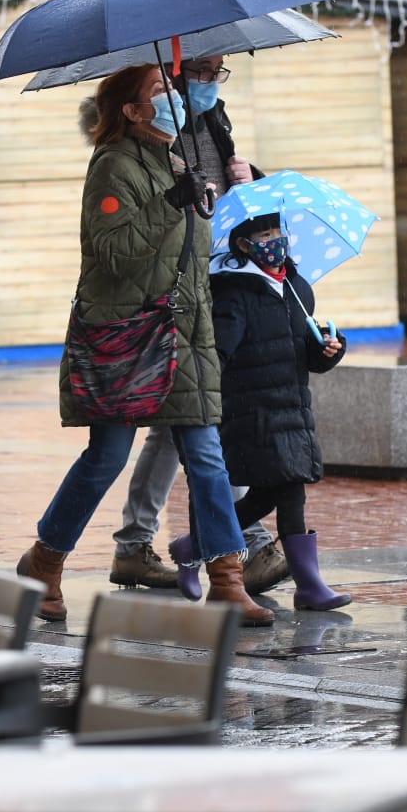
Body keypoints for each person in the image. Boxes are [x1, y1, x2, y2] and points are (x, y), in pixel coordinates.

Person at [17, 63, 273, 627]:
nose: (174, 99)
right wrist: (169, 204)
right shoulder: (113, 166)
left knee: (207, 455)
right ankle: (45, 560)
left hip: (185, 334)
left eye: (171, 89)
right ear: (132, 111)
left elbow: (190, 257)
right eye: (160, 92)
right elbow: (113, 251)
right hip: (131, 337)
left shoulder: (178, 160)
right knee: (106, 457)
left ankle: (228, 579)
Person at [107, 54, 293, 596]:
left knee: (184, 421)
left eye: (219, 72)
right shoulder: (146, 142)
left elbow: (226, 207)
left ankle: (138, 544)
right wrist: (180, 195)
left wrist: (248, 178)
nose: (212, 81)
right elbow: (136, 229)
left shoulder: (212, 120)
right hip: (178, 291)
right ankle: (242, 547)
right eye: (202, 71)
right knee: (195, 419)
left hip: (213, 278)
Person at [168, 212, 351, 611]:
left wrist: (328, 348)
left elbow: (307, 354)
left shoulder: (297, 288)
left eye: (278, 232)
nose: (275, 241)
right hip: (252, 412)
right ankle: (309, 584)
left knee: (268, 495)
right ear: (243, 246)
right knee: (289, 489)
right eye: (264, 235)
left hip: (293, 408)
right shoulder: (234, 294)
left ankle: (192, 545)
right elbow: (218, 356)